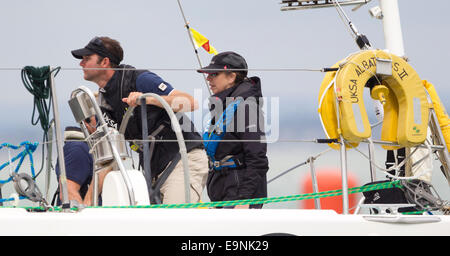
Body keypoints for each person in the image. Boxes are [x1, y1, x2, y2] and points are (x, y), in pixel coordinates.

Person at [71, 36, 208, 204]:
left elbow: (190, 102)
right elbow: (109, 159)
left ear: (105, 61)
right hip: (153, 170)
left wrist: (147, 99)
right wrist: (87, 205)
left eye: (86, 59)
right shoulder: (104, 102)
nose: (81, 64)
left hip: (183, 159)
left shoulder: (140, 79)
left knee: (175, 224)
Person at [197, 51, 269, 209]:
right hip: (223, 191)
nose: (208, 79)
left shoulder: (247, 108)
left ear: (232, 77)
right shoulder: (224, 106)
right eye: (208, 74)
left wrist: (243, 200)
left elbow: (258, 159)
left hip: (239, 195)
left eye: (214, 74)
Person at [54, 123, 113, 206]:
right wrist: (84, 215)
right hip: (82, 217)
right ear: (87, 123)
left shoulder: (93, 150)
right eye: (96, 117)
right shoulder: (78, 149)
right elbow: (68, 192)